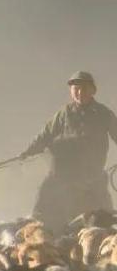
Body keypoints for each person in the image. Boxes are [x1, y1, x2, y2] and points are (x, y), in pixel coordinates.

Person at [19, 71, 117, 233]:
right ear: (71, 92)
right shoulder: (64, 113)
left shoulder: (103, 114)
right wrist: (28, 152)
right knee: (42, 208)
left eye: (84, 89)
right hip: (64, 173)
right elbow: (45, 134)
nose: (79, 93)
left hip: (92, 174)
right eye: (75, 89)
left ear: (93, 91)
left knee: (103, 217)